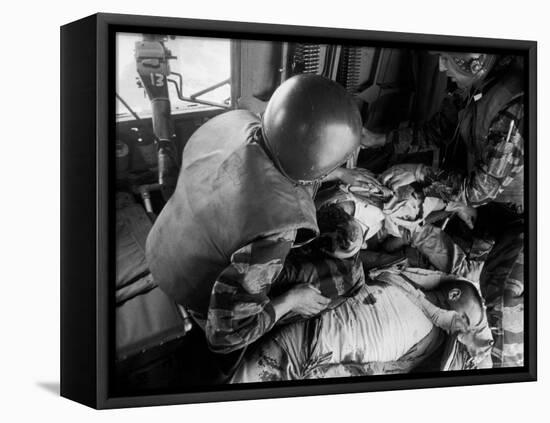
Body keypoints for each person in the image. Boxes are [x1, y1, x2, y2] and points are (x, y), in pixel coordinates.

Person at [146, 74, 367, 380]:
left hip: (165, 244)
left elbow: (268, 164)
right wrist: (292, 300)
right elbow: (225, 336)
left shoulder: (234, 122)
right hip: (197, 294)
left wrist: (337, 174)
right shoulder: (277, 232)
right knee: (348, 277)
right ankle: (223, 379)